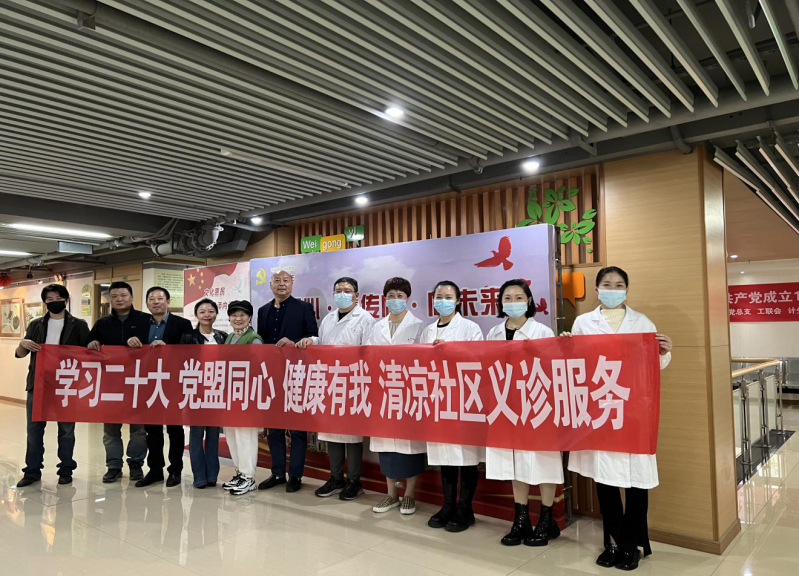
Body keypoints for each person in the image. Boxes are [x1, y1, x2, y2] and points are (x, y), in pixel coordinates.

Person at [564, 266, 673, 571]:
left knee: (637, 482)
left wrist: (664, 352)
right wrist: (565, 346)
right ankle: (612, 543)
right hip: (600, 412)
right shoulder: (583, 323)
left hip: (634, 412)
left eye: (619, 284)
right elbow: (575, 366)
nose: (612, 289)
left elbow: (654, 367)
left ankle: (631, 546)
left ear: (627, 289)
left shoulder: (642, 322)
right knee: (606, 481)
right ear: (596, 289)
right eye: (607, 284)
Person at [485, 279, 562, 547]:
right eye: (508, 298)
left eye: (519, 297)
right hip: (507, 406)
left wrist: (537, 353)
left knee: (543, 461)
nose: (513, 302)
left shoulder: (542, 331)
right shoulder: (494, 332)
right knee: (515, 462)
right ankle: (521, 520)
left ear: (528, 301)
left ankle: (546, 519)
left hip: (538, 406)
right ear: (500, 302)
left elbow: (556, 367)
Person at [300, 277, 375, 501]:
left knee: (351, 435)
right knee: (331, 432)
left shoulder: (366, 319)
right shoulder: (329, 318)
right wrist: (312, 341)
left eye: (347, 290)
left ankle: (354, 481)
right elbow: (323, 342)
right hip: (330, 382)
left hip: (353, 383)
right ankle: (335, 478)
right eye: (338, 290)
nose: (342, 294)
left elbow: (370, 352)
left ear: (356, 295)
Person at [421, 280, 484, 532]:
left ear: (458, 301)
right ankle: (447, 504)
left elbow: (480, 359)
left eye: (448, 297)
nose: (443, 301)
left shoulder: (470, 328)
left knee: (466, 457)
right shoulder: (427, 330)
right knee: (444, 456)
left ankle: (465, 508)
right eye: (439, 296)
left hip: (463, 399)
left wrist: (451, 350)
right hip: (438, 399)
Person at [15, 284, 90, 487]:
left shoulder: (79, 325)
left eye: (58, 298)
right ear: (45, 302)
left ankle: (66, 469)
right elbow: (20, 354)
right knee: (34, 431)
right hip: (38, 385)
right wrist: (22, 344)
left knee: (66, 431)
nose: (54, 302)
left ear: (65, 300)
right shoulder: (36, 324)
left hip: (67, 384)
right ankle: (32, 471)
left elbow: (88, 355)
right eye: (49, 299)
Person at [367, 277, 426, 516]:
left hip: (409, 393)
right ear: (385, 299)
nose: (395, 300)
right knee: (386, 445)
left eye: (400, 296)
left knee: (409, 445)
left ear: (408, 299)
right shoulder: (377, 327)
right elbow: (369, 356)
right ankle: (391, 494)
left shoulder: (419, 326)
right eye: (391, 295)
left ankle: (409, 495)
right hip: (383, 392)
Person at [256, 270, 318, 493]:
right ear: (270, 284)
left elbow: (313, 336)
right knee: (273, 428)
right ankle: (277, 473)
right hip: (271, 376)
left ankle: (295, 475)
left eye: (285, 280)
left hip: (296, 375)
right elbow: (261, 342)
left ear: (292, 283)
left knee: (297, 428)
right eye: (277, 280)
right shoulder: (263, 310)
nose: (281, 284)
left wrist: (295, 342)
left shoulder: (304, 308)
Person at [127, 286, 192, 488]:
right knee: (152, 430)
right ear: (147, 303)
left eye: (160, 298)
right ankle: (155, 470)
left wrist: (169, 348)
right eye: (152, 299)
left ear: (168, 302)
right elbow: (127, 350)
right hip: (148, 384)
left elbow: (190, 350)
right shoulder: (138, 324)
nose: (156, 302)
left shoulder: (182, 324)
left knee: (175, 429)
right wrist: (129, 341)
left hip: (172, 384)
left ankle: (176, 470)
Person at [87, 281, 149, 483]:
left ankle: (136, 463)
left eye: (123, 295)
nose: (119, 299)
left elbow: (155, 348)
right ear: (110, 300)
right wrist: (92, 343)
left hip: (138, 383)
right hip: (111, 384)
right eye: (114, 296)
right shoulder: (102, 323)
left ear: (131, 297)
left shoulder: (145, 320)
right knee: (110, 429)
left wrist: (140, 343)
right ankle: (113, 466)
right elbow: (88, 346)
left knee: (139, 429)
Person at [181, 298, 227, 488]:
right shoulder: (188, 337)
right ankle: (199, 476)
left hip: (216, 392)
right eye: (202, 311)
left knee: (214, 435)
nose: (207, 315)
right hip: (196, 392)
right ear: (196, 315)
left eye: (211, 311)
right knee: (196, 435)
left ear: (216, 314)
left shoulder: (223, 337)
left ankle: (212, 475)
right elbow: (180, 363)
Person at [221, 300, 264, 496]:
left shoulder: (254, 339)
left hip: (247, 396)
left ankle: (248, 477)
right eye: (234, 315)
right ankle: (240, 472)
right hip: (231, 395)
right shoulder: (230, 337)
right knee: (232, 435)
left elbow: (258, 369)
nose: (238, 319)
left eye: (242, 315)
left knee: (245, 436)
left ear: (249, 317)